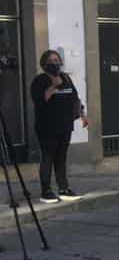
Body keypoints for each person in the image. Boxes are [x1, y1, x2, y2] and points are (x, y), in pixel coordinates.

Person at [29, 49, 87, 203]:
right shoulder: (39, 81)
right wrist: (53, 86)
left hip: (65, 124)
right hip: (47, 126)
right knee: (48, 156)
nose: (55, 63)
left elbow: (74, 97)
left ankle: (64, 189)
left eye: (57, 60)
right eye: (52, 61)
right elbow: (40, 101)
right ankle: (46, 191)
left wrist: (82, 114)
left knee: (61, 158)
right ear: (44, 64)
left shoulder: (65, 77)